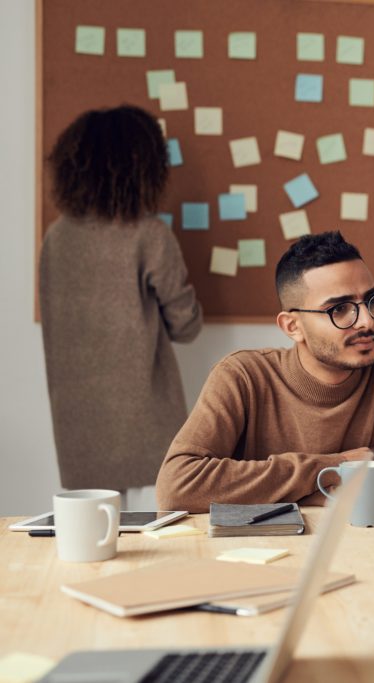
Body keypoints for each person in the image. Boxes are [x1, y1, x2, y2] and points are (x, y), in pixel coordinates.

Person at [155, 232, 374, 513]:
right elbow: (177, 485)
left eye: (371, 301)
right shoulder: (242, 376)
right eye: (340, 309)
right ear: (292, 326)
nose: (367, 322)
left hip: (370, 552)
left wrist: (319, 493)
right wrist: (335, 466)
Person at [40, 105, 202, 499]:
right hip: (144, 413)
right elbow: (187, 326)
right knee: (160, 527)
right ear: (144, 167)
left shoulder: (56, 236)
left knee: (95, 528)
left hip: (77, 412)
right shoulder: (149, 234)